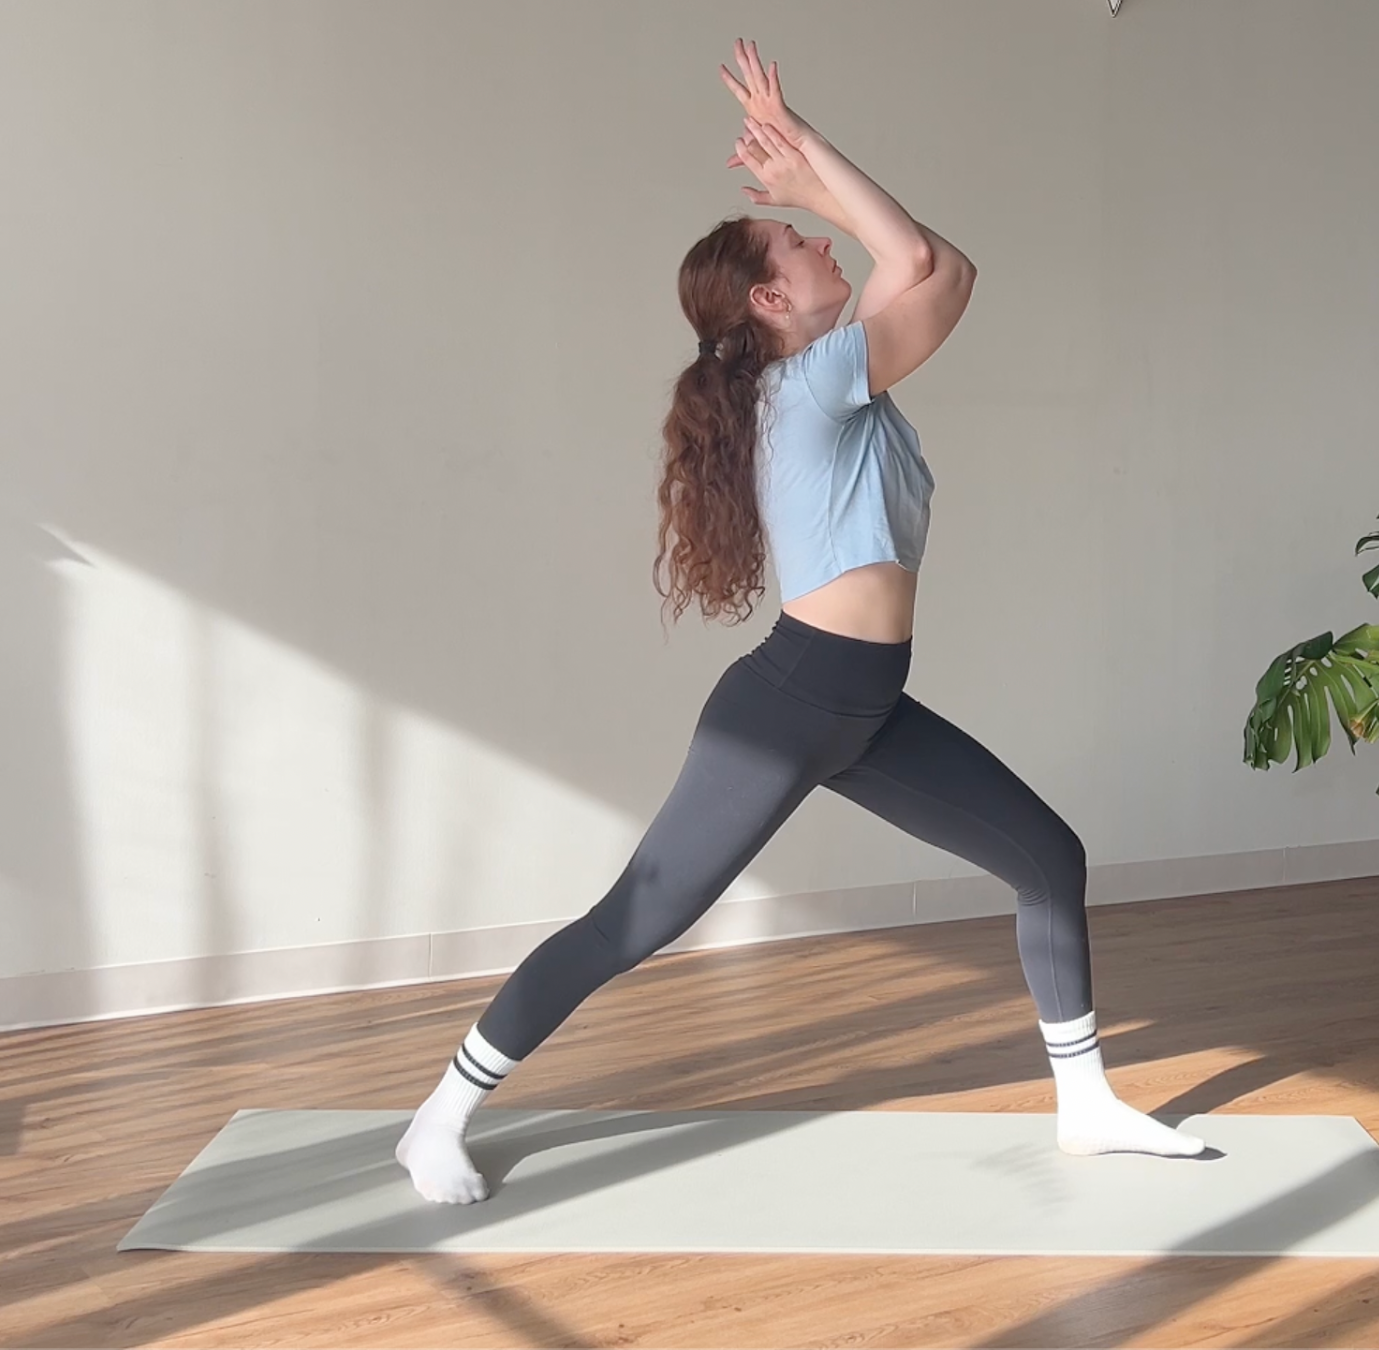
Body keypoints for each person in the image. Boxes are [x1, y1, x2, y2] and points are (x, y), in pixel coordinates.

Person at [396, 39, 1205, 1206]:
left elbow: (948, 269)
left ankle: (1086, 1107)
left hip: (861, 709)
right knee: (636, 921)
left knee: (1047, 859)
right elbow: (919, 256)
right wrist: (812, 157)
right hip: (791, 707)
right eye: (798, 244)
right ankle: (438, 1119)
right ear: (774, 300)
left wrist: (814, 187)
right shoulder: (816, 379)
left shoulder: (832, 377)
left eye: (812, 230)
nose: (820, 241)